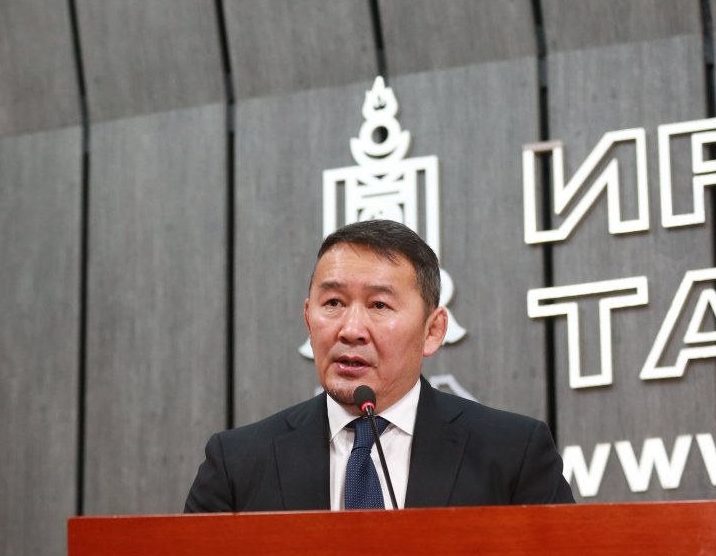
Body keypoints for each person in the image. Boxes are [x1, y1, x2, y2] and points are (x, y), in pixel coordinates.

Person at [184, 219, 574, 513]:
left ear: (433, 331)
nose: (351, 330)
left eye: (379, 305)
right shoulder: (238, 464)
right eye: (333, 303)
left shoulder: (511, 454)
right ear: (307, 319)